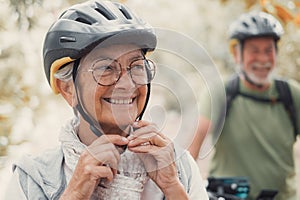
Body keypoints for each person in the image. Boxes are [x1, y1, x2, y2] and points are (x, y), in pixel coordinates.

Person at [5, 1, 209, 199]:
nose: (127, 84)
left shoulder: (180, 167)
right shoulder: (32, 179)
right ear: (68, 89)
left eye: (136, 66)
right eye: (105, 68)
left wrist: (172, 187)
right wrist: (75, 193)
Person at [188, 11, 300, 200]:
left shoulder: (291, 94)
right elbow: (192, 149)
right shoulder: (220, 93)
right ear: (237, 54)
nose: (263, 59)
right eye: (254, 50)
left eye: (268, 50)